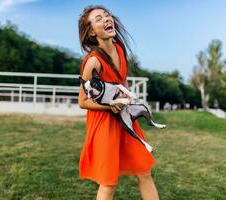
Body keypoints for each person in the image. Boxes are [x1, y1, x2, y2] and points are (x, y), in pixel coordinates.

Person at [78, 5, 159, 200]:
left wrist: (125, 96)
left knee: (144, 171)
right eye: (99, 18)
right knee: (109, 183)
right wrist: (109, 105)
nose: (106, 19)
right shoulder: (93, 62)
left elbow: (121, 80)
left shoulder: (120, 50)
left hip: (125, 120)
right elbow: (82, 101)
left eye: (107, 15)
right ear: (91, 32)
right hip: (103, 124)